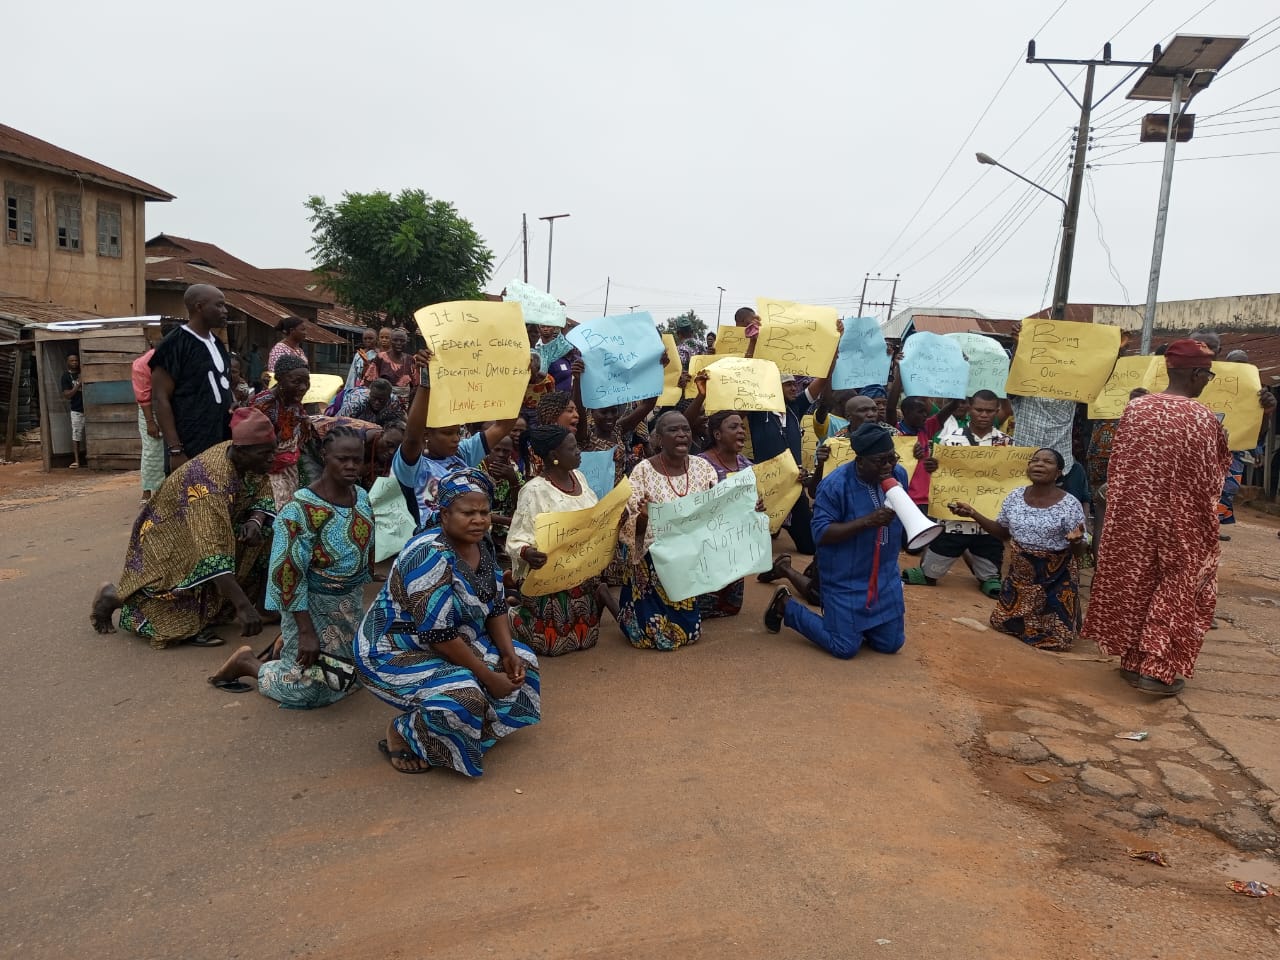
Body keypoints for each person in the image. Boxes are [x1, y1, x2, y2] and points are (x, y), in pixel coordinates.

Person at [355, 468, 540, 775]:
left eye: (484, 512)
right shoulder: (428, 554)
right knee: (465, 694)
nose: (479, 520)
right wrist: (488, 676)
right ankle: (404, 732)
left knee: (524, 661)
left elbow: (494, 605)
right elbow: (439, 635)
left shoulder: (482, 544)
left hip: (449, 639)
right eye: (468, 512)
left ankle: (463, 730)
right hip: (392, 651)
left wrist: (508, 654)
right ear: (444, 515)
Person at [1082, 339, 1234, 696]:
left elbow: (1117, 464)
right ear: (1197, 373)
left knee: (1139, 580)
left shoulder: (1136, 409)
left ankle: (1133, 662)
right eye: (1208, 375)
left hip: (1132, 517)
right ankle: (1157, 669)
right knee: (1179, 585)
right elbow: (1211, 476)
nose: (1207, 381)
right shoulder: (1201, 417)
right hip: (1181, 519)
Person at [206, 427, 375, 705]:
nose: (351, 466)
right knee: (307, 692)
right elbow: (288, 577)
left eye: (357, 459)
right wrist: (306, 632)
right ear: (324, 456)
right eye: (342, 459)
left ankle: (284, 644)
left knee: (346, 680)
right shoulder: (299, 511)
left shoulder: (361, 496)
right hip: (311, 604)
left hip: (348, 604)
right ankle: (250, 664)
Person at [89, 408, 277, 648]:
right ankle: (114, 597)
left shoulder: (250, 454)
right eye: (266, 454)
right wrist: (242, 606)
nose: (272, 458)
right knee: (177, 624)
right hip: (171, 537)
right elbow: (211, 553)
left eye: (273, 451)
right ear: (240, 452)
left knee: (269, 533)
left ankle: (241, 608)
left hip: (210, 527)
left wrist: (255, 521)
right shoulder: (209, 481)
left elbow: (262, 491)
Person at [763, 424, 907, 660]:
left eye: (892, 458)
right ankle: (786, 606)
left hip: (884, 576)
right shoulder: (834, 486)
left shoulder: (898, 475)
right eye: (881, 461)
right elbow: (820, 533)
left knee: (891, 644)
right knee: (844, 647)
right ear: (860, 461)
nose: (889, 466)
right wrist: (868, 521)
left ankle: (861, 624)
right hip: (846, 579)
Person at [949, 448, 1087, 652]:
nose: (1039, 465)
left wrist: (1076, 541)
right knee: (1001, 623)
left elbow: (1080, 551)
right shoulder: (1014, 497)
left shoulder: (1070, 504)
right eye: (1035, 461)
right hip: (1021, 575)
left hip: (1056, 576)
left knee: (1056, 639)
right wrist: (973, 513)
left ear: (1059, 472)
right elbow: (1002, 533)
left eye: (1047, 462)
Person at [507, 425, 619, 655]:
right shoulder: (534, 490)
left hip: (580, 572)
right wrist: (528, 552)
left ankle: (595, 598)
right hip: (551, 577)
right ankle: (512, 614)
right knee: (551, 645)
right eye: (572, 448)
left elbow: (593, 516)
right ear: (554, 456)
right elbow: (517, 537)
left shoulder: (579, 477)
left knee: (584, 640)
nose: (579, 452)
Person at [618, 411, 720, 650]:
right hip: (652, 559)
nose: (682, 434)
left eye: (685, 429)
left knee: (690, 632)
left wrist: (748, 507)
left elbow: (718, 508)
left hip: (688, 558)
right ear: (659, 439)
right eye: (673, 430)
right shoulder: (642, 472)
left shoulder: (702, 468)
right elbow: (629, 529)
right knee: (648, 636)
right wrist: (642, 518)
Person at [903, 390, 1011, 595]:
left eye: (989, 411)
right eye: (979, 409)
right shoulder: (949, 441)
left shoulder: (1007, 443)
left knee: (990, 572)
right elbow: (937, 475)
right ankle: (928, 571)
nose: (984, 415)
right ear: (970, 408)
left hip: (988, 517)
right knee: (931, 570)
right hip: (953, 514)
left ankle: (989, 577)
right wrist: (932, 466)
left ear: (997, 411)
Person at [394, 349, 516, 530]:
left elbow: (503, 426)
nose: (456, 439)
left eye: (457, 432)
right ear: (426, 434)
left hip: (471, 542)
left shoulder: (462, 454)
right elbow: (412, 437)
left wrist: (516, 380)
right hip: (433, 545)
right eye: (447, 433)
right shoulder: (414, 466)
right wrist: (426, 380)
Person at [151, 284, 233, 471]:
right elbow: (160, 399)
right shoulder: (174, 344)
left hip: (222, 442)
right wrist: (175, 450)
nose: (225, 311)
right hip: (191, 445)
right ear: (199, 307)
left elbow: (221, 384)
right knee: (194, 498)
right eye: (219, 305)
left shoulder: (217, 343)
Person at [696, 409, 753, 619]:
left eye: (742, 427)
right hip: (705, 546)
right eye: (734, 427)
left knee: (731, 608)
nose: (741, 431)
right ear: (717, 435)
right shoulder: (699, 465)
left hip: (735, 547)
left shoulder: (748, 467)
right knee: (702, 608)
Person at [251, 354, 312, 510]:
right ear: (279, 379)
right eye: (296, 382)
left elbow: (298, 415)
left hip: (288, 465)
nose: (303, 387)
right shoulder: (264, 404)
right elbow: (254, 446)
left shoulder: (293, 400)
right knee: (275, 507)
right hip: (266, 469)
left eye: (306, 382)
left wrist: (304, 419)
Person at [480, 433, 523, 560]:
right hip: (485, 522)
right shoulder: (477, 471)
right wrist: (509, 522)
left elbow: (520, 505)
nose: (501, 454)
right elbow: (477, 511)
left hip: (507, 525)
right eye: (497, 449)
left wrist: (513, 482)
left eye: (506, 451)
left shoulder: (513, 470)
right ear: (488, 450)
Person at [132, 347, 163, 502]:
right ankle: (148, 490)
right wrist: (150, 421)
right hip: (149, 408)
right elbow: (143, 396)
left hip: (171, 406)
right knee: (152, 449)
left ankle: (166, 490)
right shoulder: (143, 364)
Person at [337, 378, 406, 427]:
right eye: (374, 398)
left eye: (381, 400)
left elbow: (403, 421)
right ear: (369, 394)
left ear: (388, 398)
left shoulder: (393, 402)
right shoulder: (355, 403)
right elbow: (337, 422)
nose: (377, 403)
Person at [373, 328, 415, 396]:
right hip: (384, 401)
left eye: (402, 341)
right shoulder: (381, 357)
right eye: (395, 340)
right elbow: (371, 379)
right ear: (390, 341)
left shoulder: (410, 359)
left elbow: (415, 384)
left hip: (405, 403)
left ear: (406, 342)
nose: (399, 343)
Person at [60, 353, 85, 468]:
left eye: (76, 360)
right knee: (76, 435)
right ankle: (77, 460)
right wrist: (78, 385)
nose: (74, 362)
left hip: (89, 408)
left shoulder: (83, 372)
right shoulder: (66, 377)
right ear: (67, 362)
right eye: (72, 361)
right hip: (76, 409)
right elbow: (67, 395)